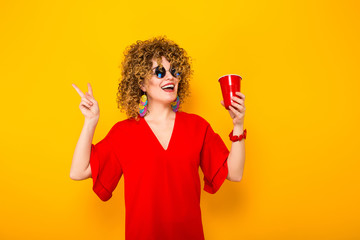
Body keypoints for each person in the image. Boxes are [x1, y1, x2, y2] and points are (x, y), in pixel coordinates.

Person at [70, 36, 246, 240]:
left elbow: (234, 173)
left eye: (174, 72)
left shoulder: (197, 127)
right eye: (160, 72)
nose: (170, 78)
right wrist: (90, 122)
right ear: (142, 84)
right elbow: (78, 171)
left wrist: (238, 124)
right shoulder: (123, 133)